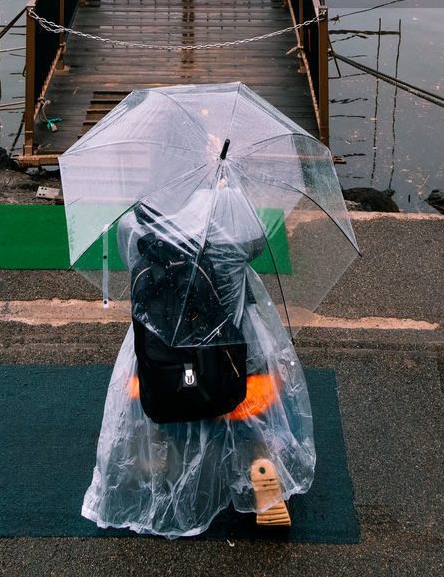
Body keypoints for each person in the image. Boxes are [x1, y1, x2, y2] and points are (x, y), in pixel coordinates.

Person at [81, 180, 315, 538]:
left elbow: (130, 254)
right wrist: (227, 191)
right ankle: (260, 462)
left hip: (162, 368)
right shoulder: (231, 224)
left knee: (156, 405)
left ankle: (162, 459)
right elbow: (258, 235)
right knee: (261, 405)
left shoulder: (135, 226)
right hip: (236, 367)